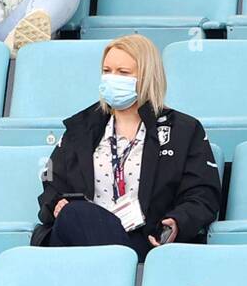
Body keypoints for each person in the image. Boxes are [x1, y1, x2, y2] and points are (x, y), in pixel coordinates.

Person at [34, 34, 220, 259]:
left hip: (143, 238)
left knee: (82, 219)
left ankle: (116, 270)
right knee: (75, 214)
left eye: (123, 73)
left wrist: (177, 222)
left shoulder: (183, 130)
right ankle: (120, 272)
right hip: (77, 240)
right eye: (107, 71)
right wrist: (55, 204)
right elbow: (52, 182)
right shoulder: (80, 129)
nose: (112, 78)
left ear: (147, 77)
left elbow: (202, 194)